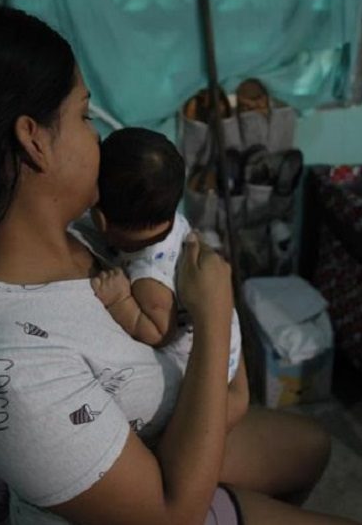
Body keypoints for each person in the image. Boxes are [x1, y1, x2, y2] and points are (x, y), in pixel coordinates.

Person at [0, 0, 360, 525]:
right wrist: (216, 315)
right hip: (165, 503)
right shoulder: (6, 371)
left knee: (311, 445)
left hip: (168, 431)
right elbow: (170, 516)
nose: (98, 135)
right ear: (33, 140)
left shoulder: (83, 233)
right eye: (84, 115)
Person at [71, 127, 241, 386]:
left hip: (197, 366)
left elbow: (159, 332)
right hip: (225, 341)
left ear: (101, 220)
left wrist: (120, 300)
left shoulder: (148, 276)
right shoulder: (170, 219)